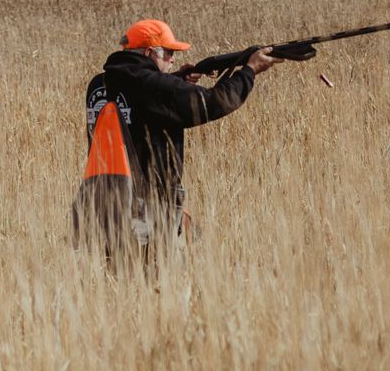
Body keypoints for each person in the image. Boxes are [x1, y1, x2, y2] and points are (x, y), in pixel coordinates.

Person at [77, 18, 307, 265]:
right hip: (147, 205)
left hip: (103, 200)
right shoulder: (153, 87)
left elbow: (138, 103)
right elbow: (213, 102)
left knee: (118, 276)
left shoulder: (98, 84)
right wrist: (249, 72)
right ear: (148, 52)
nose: (173, 58)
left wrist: (177, 79)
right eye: (168, 52)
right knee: (157, 281)